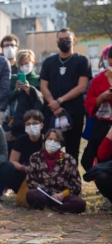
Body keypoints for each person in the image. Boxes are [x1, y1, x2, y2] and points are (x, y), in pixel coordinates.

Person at [39, 27, 92, 164]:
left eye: (67, 39)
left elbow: (82, 86)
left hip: (74, 113)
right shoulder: (49, 62)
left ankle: (71, 182)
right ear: (57, 41)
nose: (64, 42)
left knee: (72, 152)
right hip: (51, 112)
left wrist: (60, 100)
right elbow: (43, 86)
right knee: (50, 149)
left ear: (74, 40)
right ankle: (51, 182)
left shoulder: (82, 61)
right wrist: (53, 104)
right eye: (61, 40)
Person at [25, 128, 86, 214]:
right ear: (45, 141)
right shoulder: (35, 157)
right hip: (43, 195)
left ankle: (53, 208)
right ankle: (57, 208)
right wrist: (49, 193)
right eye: (50, 139)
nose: (52, 142)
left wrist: (61, 195)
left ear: (60, 143)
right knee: (31, 195)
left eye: (56, 140)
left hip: (62, 197)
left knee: (80, 204)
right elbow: (31, 181)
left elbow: (76, 185)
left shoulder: (68, 159)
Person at [81, 45, 112, 172]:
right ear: (108, 59)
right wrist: (102, 97)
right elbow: (89, 103)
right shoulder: (98, 80)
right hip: (101, 124)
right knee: (98, 155)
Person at [7, 49, 44, 149]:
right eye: (21, 64)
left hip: (34, 117)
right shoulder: (15, 78)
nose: (24, 66)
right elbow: (8, 99)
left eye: (26, 63)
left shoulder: (39, 79)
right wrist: (16, 90)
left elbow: (41, 100)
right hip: (17, 118)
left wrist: (29, 91)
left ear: (33, 62)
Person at [9, 109, 44, 206]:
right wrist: (24, 168)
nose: (32, 126)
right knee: (9, 169)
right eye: (28, 124)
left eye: (35, 123)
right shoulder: (21, 140)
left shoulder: (46, 139)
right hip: (26, 172)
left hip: (44, 174)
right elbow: (12, 161)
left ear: (41, 125)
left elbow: (60, 158)